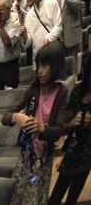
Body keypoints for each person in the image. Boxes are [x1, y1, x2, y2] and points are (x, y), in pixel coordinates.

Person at [3, 42, 69, 204]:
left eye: (45, 66)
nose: (39, 70)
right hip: (26, 156)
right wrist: (16, 117)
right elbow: (6, 116)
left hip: (43, 160)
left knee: (35, 196)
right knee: (17, 195)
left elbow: (59, 129)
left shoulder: (62, 92)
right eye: (38, 65)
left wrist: (41, 128)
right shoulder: (33, 89)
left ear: (56, 67)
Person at [49, 52, 91, 205]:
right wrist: (73, 120)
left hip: (87, 152)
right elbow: (65, 117)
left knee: (74, 194)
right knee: (57, 193)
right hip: (73, 148)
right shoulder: (78, 92)